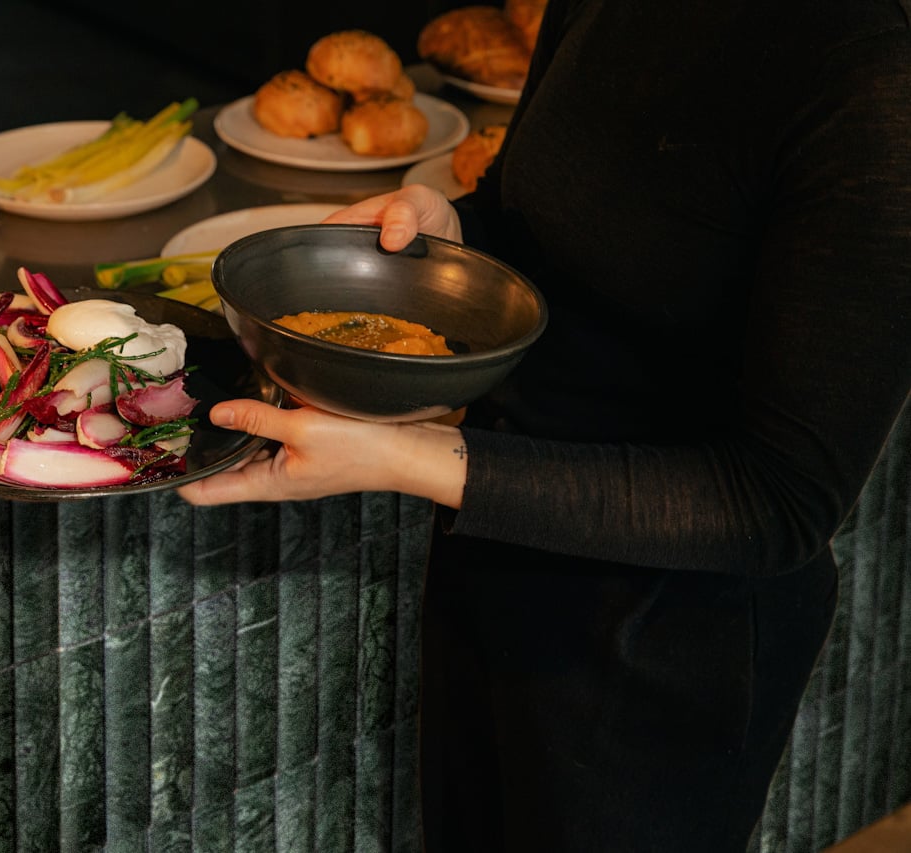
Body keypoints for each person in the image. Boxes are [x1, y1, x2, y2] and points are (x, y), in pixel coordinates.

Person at [178, 0, 911, 848]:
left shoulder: (872, 84)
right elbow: (554, 225)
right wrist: (453, 231)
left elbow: (777, 502)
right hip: (496, 554)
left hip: (666, 640)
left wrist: (406, 457)